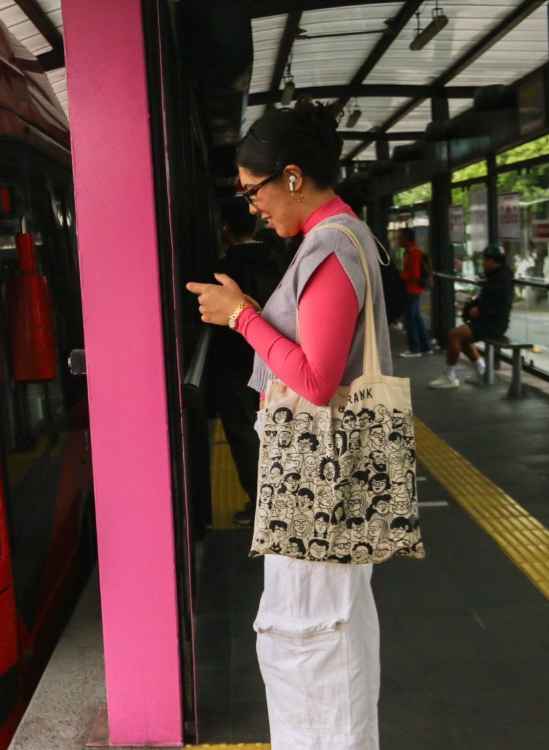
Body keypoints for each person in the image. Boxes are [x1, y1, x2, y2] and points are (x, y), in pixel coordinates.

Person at [187, 99, 390, 749]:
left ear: (293, 176)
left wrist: (241, 315)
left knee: (315, 646)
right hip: (321, 476)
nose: (252, 206)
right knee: (319, 640)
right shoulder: (336, 237)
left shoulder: (331, 248)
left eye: (253, 191)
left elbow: (316, 382)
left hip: (319, 476)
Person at [209, 197, 286, 526]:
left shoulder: (222, 271)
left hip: (237, 366)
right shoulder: (280, 263)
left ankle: (260, 505)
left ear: (224, 229)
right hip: (279, 359)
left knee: (244, 434)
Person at [428, 244, 515, 389]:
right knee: (461, 338)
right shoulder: (496, 275)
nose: (482, 263)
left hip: (494, 323)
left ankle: (450, 376)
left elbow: (501, 302)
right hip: (489, 320)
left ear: (491, 261)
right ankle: (482, 369)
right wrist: (474, 307)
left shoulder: (501, 278)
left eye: (484, 260)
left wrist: (481, 309)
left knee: (454, 335)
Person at [396, 228, 432, 357]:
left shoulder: (412, 252)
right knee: (416, 317)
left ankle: (414, 348)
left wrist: (401, 276)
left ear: (405, 238)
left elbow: (415, 274)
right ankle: (425, 346)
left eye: (400, 237)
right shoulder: (412, 251)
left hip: (412, 289)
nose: (398, 240)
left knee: (410, 318)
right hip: (414, 289)